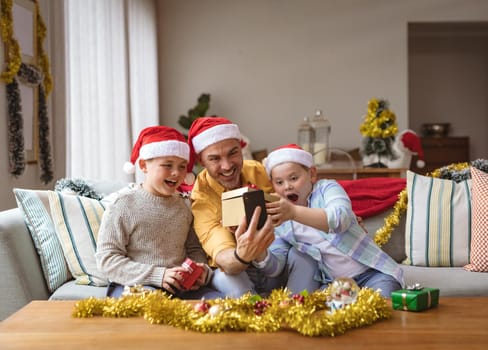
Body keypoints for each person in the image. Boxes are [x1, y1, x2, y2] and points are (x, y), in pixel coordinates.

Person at [187, 117, 320, 297]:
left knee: (307, 258)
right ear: (202, 162)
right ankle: (257, 317)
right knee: (229, 279)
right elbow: (226, 260)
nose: (227, 166)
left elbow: (302, 193)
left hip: (277, 257)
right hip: (236, 270)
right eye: (214, 159)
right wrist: (243, 253)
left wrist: (338, 217)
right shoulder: (201, 199)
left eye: (233, 153)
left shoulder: (257, 170)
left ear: (241, 148)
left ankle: (294, 311)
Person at [258, 144, 404, 298]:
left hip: (373, 274)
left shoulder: (326, 188)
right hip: (336, 285)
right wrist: (258, 250)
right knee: (318, 313)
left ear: (312, 174)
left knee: (381, 307)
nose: (287, 186)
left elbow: (341, 219)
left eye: (294, 178)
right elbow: (275, 267)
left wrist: (293, 212)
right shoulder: (281, 222)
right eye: (279, 182)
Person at [96, 126, 222, 299]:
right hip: (135, 285)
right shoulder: (123, 205)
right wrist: (159, 275)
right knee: (155, 306)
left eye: (182, 166)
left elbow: (194, 249)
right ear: (143, 165)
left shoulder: (186, 205)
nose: (176, 173)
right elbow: (107, 260)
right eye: (167, 165)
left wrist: (200, 271)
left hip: (181, 286)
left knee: (220, 303)